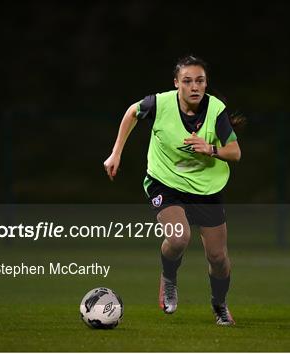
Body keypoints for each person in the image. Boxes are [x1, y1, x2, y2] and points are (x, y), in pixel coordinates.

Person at [103, 55, 242, 326]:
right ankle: (168, 279)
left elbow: (235, 153)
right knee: (179, 238)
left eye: (200, 81)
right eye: (187, 81)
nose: (194, 87)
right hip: (165, 182)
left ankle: (219, 304)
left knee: (218, 258)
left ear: (206, 84)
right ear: (176, 83)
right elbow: (132, 112)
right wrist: (115, 152)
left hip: (206, 188)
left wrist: (210, 149)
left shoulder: (215, 110)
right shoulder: (159, 103)